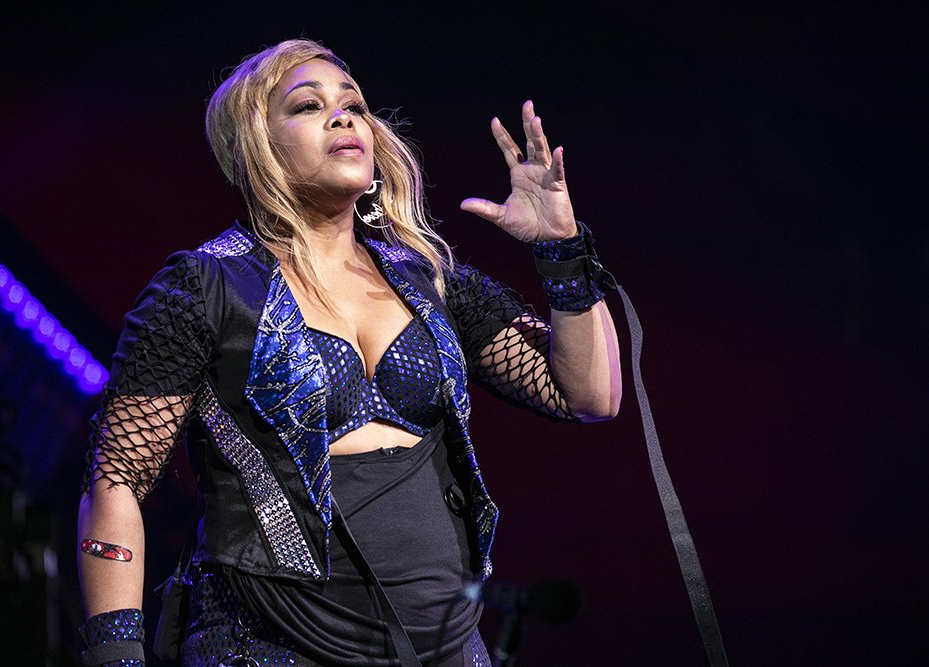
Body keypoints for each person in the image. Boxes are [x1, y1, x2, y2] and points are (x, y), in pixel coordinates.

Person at [77, 38, 621, 667]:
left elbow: (588, 395)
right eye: (308, 106)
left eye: (354, 105)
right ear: (257, 146)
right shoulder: (205, 287)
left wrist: (560, 247)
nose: (344, 118)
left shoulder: (428, 278)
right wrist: (114, 656)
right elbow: (116, 482)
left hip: (443, 644)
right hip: (276, 643)